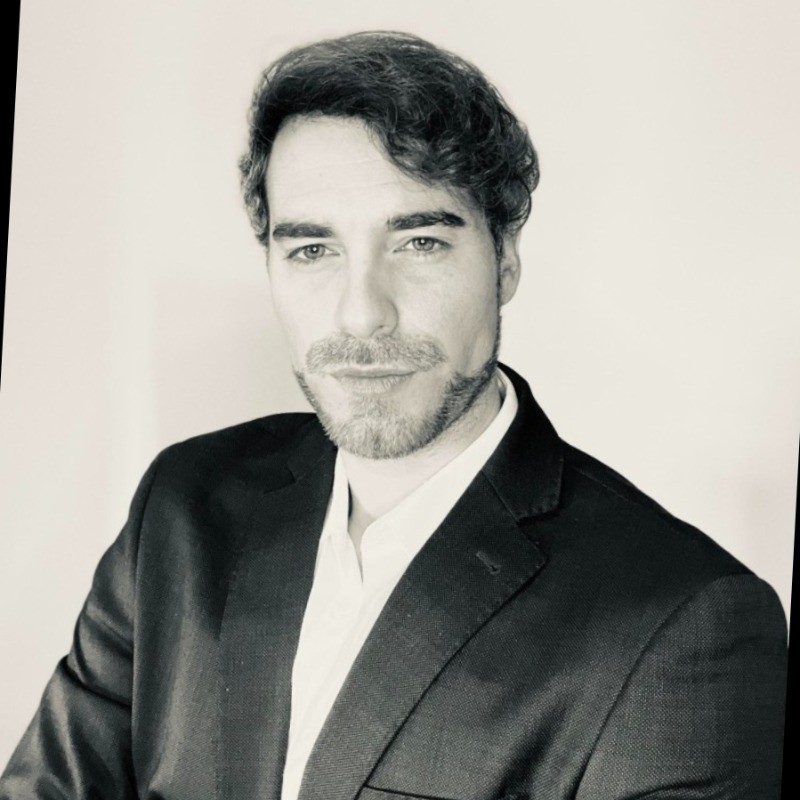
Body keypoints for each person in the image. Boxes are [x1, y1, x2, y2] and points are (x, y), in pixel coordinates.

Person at [0, 31, 787, 800]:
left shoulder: (687, 625)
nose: (361, 314)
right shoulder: (182, 509)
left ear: (505, 260)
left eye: (419, 243)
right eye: (312, 250)